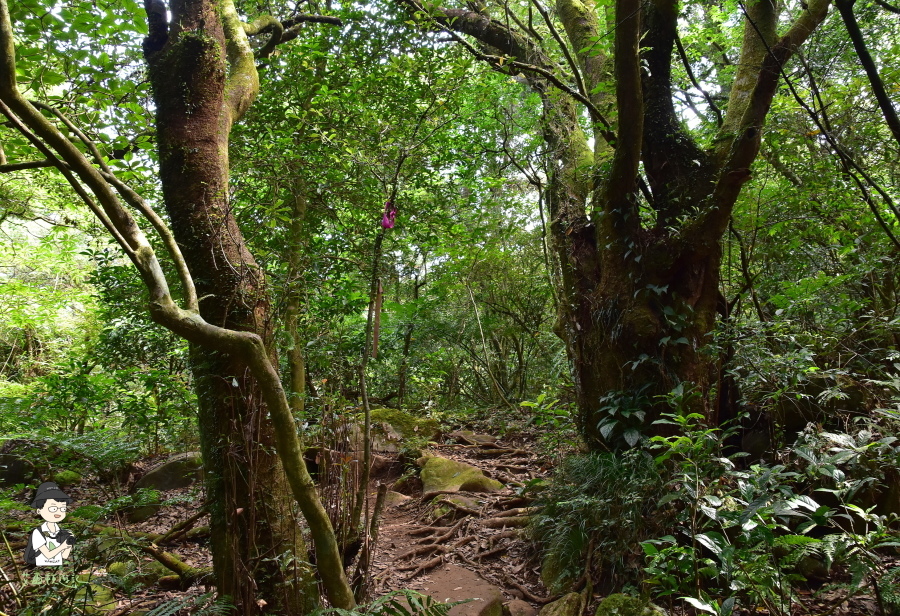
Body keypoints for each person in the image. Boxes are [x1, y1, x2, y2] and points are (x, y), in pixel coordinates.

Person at [28, 482, 75, 566]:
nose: (58, 512)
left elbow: (64, 556)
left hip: (57, 567)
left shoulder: (61, 532)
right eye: (53, 508)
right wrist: (63, 546)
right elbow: (48, 555)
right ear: (39, 510)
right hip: (41, 567)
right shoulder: (38, 533)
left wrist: (68, 545)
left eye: (62, 509)